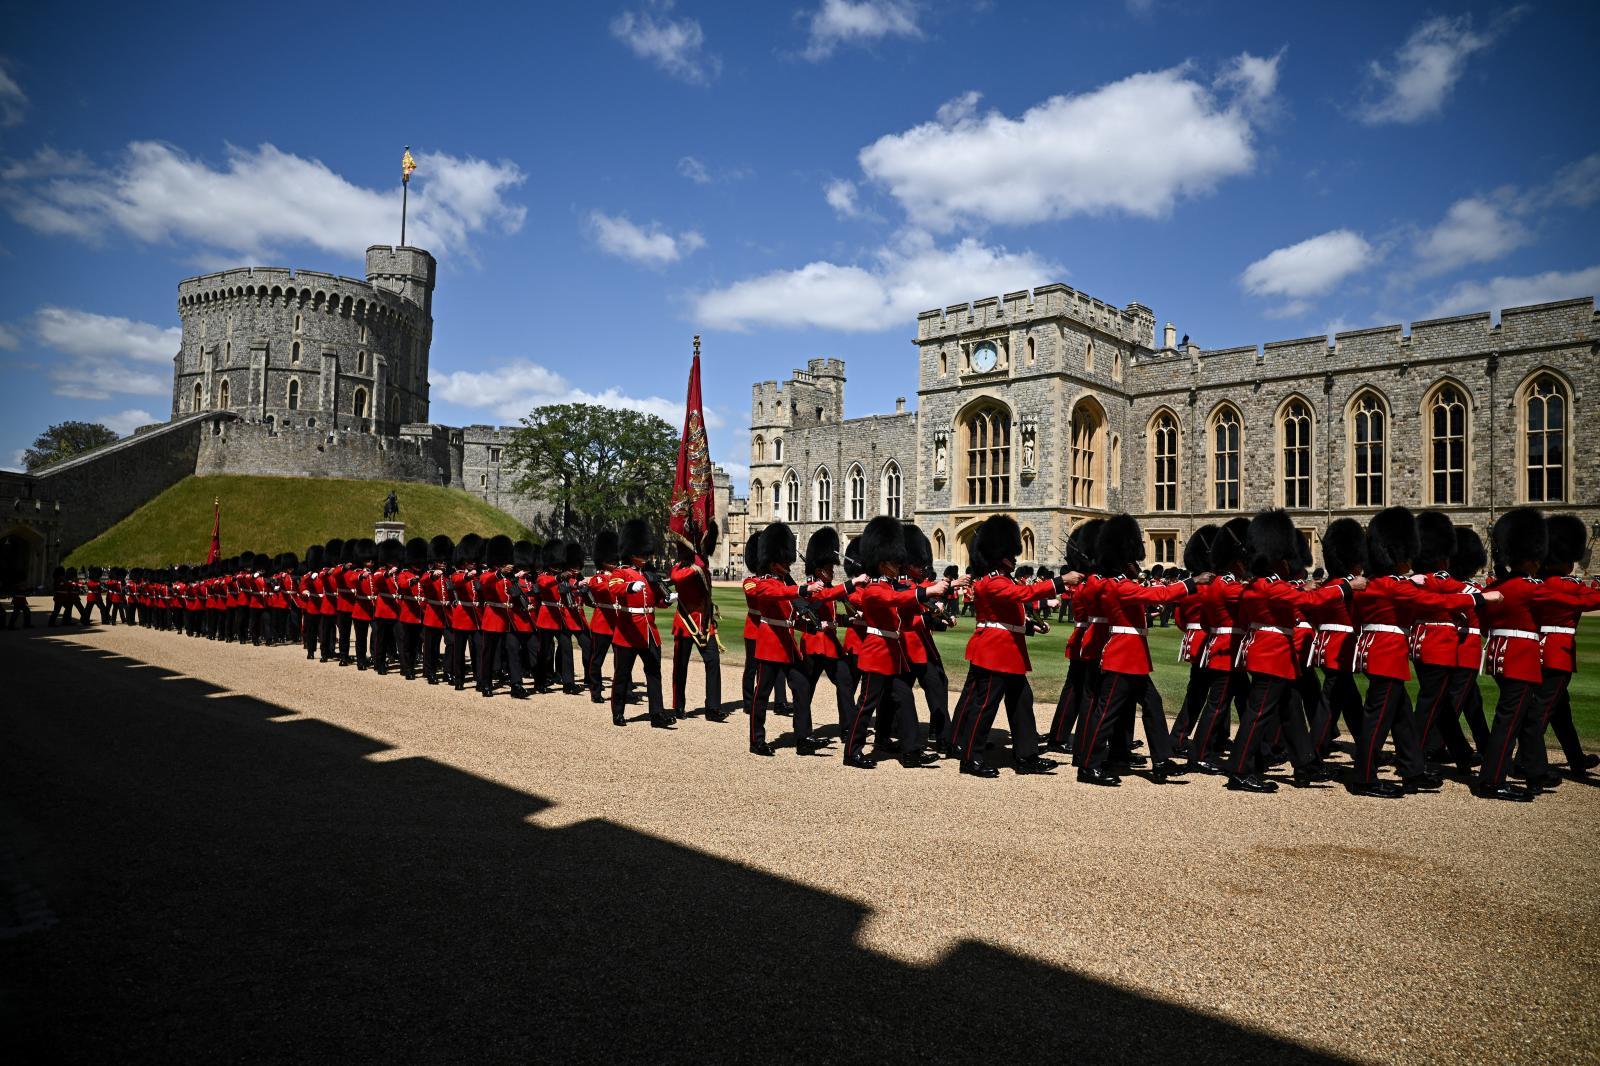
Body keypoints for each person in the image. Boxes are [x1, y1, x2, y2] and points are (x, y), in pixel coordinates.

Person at [1350, 508, 1490, 799]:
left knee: (1401, 719)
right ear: (1396, 555)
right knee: (1377, 720)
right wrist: (1477, 597)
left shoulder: (1374, 584)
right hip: (1386, 655)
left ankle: (1412, 770)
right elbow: (1431, 600)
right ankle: (1363, 778)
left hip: (1382, 653)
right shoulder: (1391, 585)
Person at [1222, 510, 1355, 794]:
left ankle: (1306, 762)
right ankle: (1239, 769)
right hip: (1271, 655)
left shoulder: (1259, 585)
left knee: (1291, 710)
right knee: (1258, 714)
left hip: (1274, 655)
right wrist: (1345, 586)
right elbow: (1310, 600)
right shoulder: (1270, 586)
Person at [1075, 514, 1202, 786]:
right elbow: (1162, 595)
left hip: (1134, 657)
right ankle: (1089, 765)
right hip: (1122, 657)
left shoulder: (1121, 584)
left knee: (1153, 705)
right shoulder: (1118, 585)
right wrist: (1193, 582)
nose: (1137, 565)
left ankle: (1161, 761)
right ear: (1124, 560)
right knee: (1106, 713)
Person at [947, 514, 1072, 778]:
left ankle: (1026, 756)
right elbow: (1021, 596)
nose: (1015, 559)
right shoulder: (993, 582)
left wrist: (1029, 626)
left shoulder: (1002, 579)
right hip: (995, 652)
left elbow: (1010, 614)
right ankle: (971, 757)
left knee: (1021, 702)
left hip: (1009, 651)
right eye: (1011, 554)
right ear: (1000, 554)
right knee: (985, 706)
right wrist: (1059, 582)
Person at [843, 516, 951, 770]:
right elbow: (896, 600)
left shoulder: (891, 585)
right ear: (883, 564)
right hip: (877, 652)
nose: (898, 565)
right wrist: (927, 592)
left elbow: (903, 598)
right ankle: (852, 751)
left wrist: (929, 604)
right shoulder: (873, 589)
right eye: (893, 561)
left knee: (904, 700)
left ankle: (911, 752)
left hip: (894, 654)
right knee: (866, 705)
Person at [1519, 513, 1600, 782]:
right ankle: (1525, 761)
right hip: (1557, 653)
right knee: (1541, 711)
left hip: (1535, 649)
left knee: (1559, 710)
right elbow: (1594, 600)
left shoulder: (1538, 585)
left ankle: (1576, 759)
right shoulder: (1569, 587)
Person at [745, 522, 829, 757]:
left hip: (788, 644)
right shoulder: (761, 584)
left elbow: (792, 613)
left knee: (801, 688)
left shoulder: (785, 582)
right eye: (785, 562)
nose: (788, 566)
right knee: (762, 694)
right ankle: (756, 740)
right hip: (770, 645)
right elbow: (777, 594)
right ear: (773, 562)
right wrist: (802, 590)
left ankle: (803, 738)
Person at [1409, 512, 1479, 775]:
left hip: (1420, 643)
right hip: (1437, 647)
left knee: (1442, 704)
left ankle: (1461, 753)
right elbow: (1469, 595)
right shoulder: (1439, 581)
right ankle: (1413, 757)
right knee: (1431, 704)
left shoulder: (1418, 580)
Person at [1185, 517, 1251, 774]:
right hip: (1227, 651)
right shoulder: (1230, 587)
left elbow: (1204, 621)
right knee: (1218, 704)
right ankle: (1199, 753)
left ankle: (1257, 749)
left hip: (1226, 649)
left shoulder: (1217, 584)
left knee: (1246, 703)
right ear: (1237, 563)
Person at [1306, 519, 1366, 760]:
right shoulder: (1347, 588)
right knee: (1329, 704)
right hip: (1340, 649)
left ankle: (1365, 744)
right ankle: (1313, 752)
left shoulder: (1329, 585)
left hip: (1325, 646)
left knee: (1350, 701)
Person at [608, 518, 674, 729]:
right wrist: (629, 588)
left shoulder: (649, 574)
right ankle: (618, 713)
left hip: (649, 631)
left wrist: (667, 599)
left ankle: (657, 714)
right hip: (628, 631)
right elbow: (614, 588)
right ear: (631, 551)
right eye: (642, 553)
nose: (645, 557)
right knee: (622, 674)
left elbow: (655, 600)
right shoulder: (620, 573)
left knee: (654, 672)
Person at [801, 526, 856, 734]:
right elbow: (820, 600)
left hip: (831, 646)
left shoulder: (827, 588)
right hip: (815, 644)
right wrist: (848, 586)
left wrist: (849, 621)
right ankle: (804, 731)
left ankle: (848, 729)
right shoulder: (812, 589)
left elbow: (832, 616)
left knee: (845, 683)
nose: (832, 572)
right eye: (829, 569)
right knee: (807, 688)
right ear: (818, 571)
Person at [671, 522, 724, 721]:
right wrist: (695, 566)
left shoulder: (704, 564)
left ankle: (712, 708)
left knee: (713, 662)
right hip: (686, 621)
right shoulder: (683, 566)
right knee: (680, 666)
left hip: (705, 621)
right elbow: (676, 577)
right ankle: (678, 706)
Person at [585, 530, 619, 704]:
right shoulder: (597, 579)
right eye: (611, 561)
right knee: (597, 659)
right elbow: (605, 589)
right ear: (603, 562)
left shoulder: (619, 576)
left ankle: (623, 690)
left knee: (621, 661)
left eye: (615, 560)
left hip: (619, 624)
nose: (614, 564)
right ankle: (595, 691)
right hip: (602, 624)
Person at [418, 536, 454, 684]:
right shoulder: (428, 574)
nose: (443, 564)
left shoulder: (449, 576)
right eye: (440, 561)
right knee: (431, 646)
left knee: (451, 643)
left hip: (448, 615)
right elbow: (423, 581)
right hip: (433, 615)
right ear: (433, 562)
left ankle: (447, 671)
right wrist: (433, 575)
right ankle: (430, 671)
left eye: (445, 561)